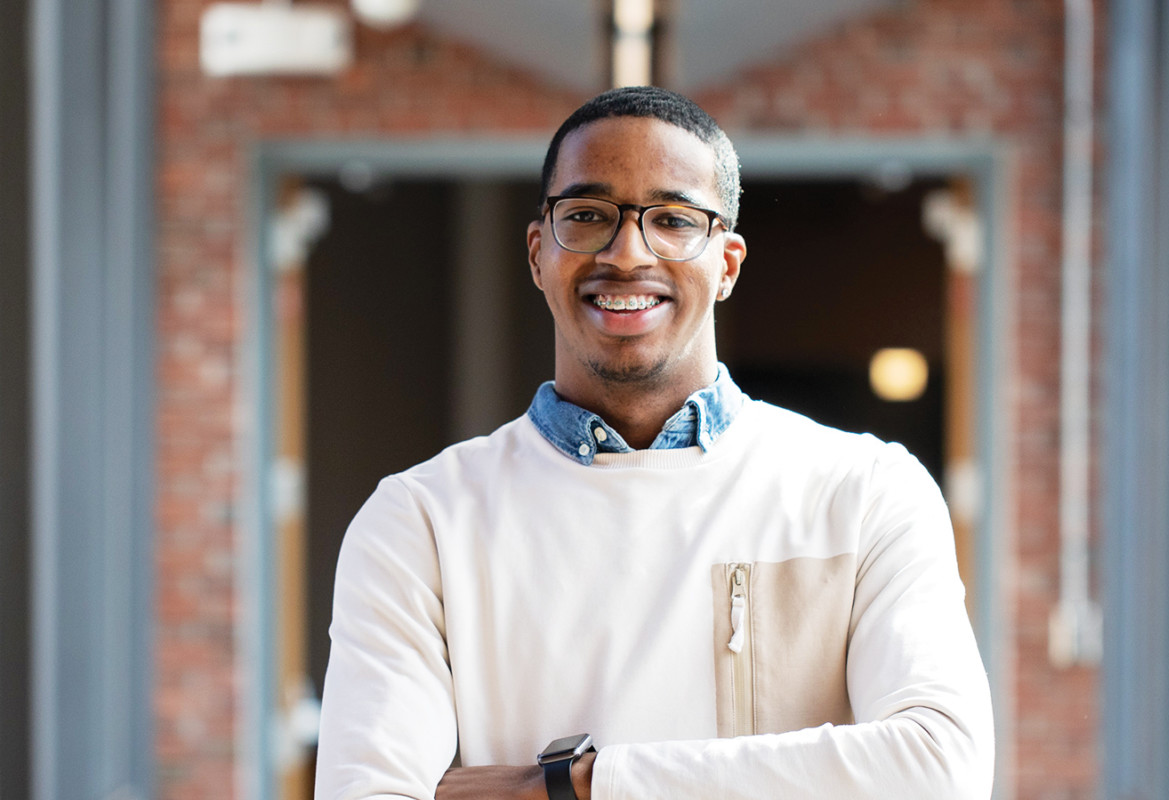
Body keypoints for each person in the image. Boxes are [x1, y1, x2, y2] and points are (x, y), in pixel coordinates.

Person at [314, 86, 994, 800]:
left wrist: (574, 785)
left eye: (672, 220)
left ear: (727, 263)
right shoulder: (420, 521)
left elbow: (940, 770)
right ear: (538, 253)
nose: (628, 253)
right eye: (587, 215)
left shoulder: (865, 493)